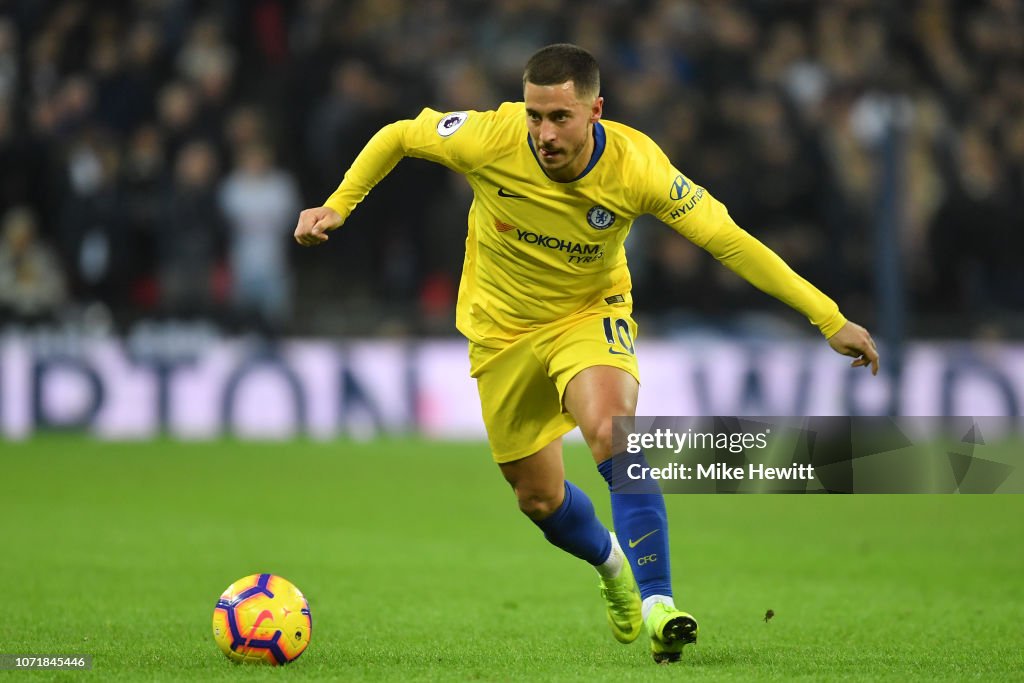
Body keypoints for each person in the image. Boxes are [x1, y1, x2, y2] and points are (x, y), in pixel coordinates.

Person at [295, 44, 879, 664]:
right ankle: (611, 564)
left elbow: (731, 243)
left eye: (560, 118)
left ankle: (660, 604)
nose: (544, 134)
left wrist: (828, 317)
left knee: (613, 433)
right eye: (534, 115)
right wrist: (339, 203)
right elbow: (399, 135)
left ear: (596, 110)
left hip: (587, 316)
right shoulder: (489, 137)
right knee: (538, 498)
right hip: (500, 332)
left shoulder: (638, 169)